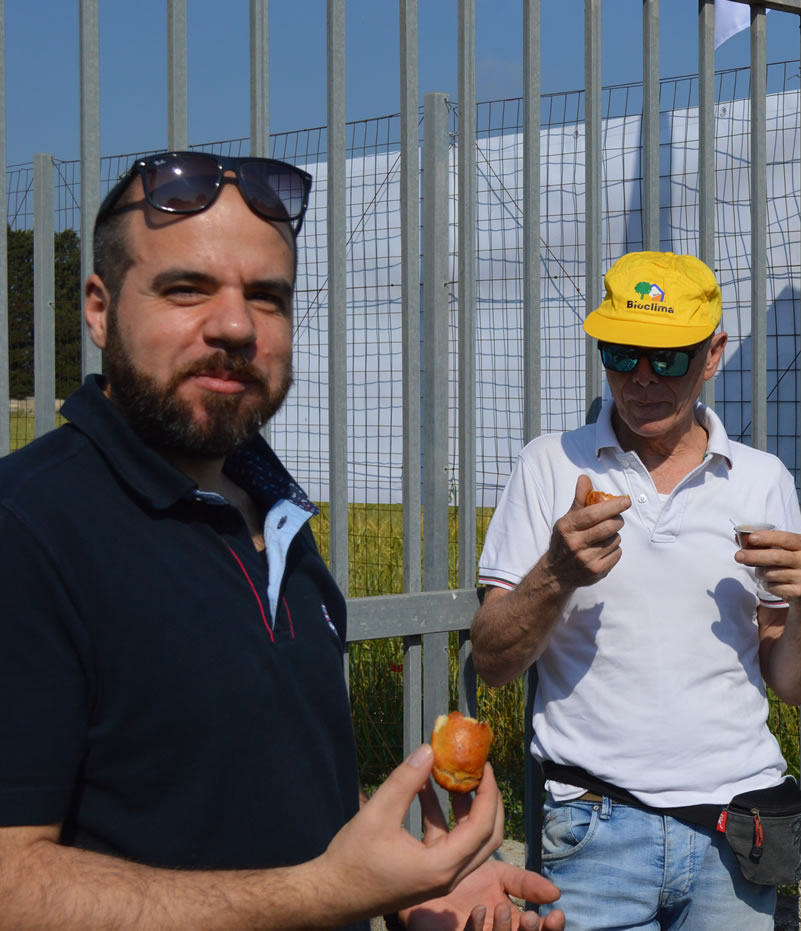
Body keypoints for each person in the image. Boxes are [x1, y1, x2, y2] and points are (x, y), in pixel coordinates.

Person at [0, 151, 564, 931]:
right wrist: (327, 891)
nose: (236, 326)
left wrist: (406, 890)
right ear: (99, 309)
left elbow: (267, 785)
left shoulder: (277, 521)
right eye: (187, 288)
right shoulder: (27, 528)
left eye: (267, 297)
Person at [472, 251, 801, 929]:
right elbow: (491, 660)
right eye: (621, 352)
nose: (641, 377)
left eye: (667, 358)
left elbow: (794, 682)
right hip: (592, 826)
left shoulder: (762, 479)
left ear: (713, 354)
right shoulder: (549, 465)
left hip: (733, 833)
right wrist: (557, 572)